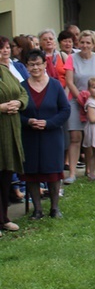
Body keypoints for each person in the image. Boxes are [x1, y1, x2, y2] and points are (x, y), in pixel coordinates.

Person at [20, 49, 71, 219]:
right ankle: (37, 209)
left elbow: (65, 110)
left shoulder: (55, 85)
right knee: (32, 172)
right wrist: (28, 121)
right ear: (26, 66)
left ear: (44, 65)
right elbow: (16, 113)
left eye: (38, 64)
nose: (35, 68)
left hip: (52, 136)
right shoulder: (22, 87)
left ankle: (55, 208)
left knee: (53, 171)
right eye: (31, 64)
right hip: (30, 136)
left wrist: (49, 123)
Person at [63, 31, 95, 184]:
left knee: (89, 137)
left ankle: (90, 169)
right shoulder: (71, 58)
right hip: (76, 100)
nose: (85, 46)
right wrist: (81, 99)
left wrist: (91, 102)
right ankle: (72, 173)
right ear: (78, 43)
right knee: (75, 137)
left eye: (88, 43)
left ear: (93, 44)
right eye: (82, 42)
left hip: (93, 102)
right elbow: (69, 81)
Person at [0, 58, 27, 234]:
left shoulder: (6, 70)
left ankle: (4, 218)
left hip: (9, 133)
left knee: (5, 176)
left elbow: (23, 92)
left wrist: (18, 103)